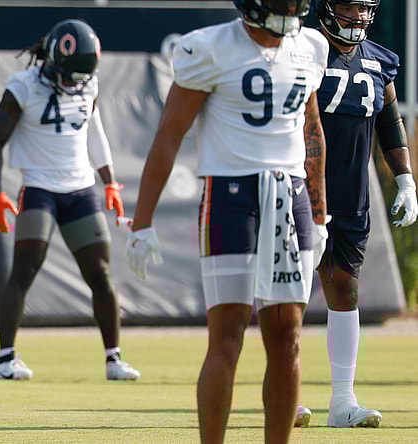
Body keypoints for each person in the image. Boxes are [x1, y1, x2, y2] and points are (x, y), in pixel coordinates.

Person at [125, 0, 329, 441]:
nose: (291, 9)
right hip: (231, 197)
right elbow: (169, 134)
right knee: (228, 335)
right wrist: (141, 221)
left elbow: (311, 133)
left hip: (290, 195)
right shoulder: (212, 47)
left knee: (288, 335)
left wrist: (318, 212)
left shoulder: (310, 45)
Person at [0, 19, 140, 381]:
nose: (74, 83)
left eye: (80, 76)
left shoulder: (90, 83)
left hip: (81, 189)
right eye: (68, 75)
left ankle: (114, 358)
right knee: (25, 267)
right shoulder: (23, 87)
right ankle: (5, 359)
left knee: (100, 274)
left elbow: (93, 131)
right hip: (39, 187)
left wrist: (110, 182)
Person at [293, 0, 417, 429]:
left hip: (351, 196)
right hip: (299, 193)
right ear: (326, 8)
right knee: (287, 293)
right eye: (350, 6)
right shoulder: (302, 49)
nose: (360, 17)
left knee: (344, 290)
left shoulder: (380, 60)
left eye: (366, 9)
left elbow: (390, 121)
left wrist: (405, 179)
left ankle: (342, 402)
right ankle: (282, 389)